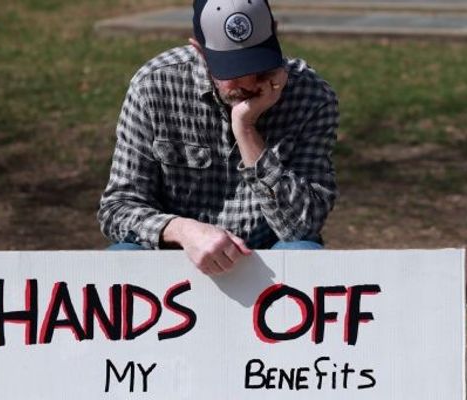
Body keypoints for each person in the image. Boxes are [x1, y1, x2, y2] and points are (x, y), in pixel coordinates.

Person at [97, 0, 339, 275]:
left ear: (274, 31)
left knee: (303, 255)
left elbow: (302, 227)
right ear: (199, 50)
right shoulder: (154, 86)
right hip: (175, 257)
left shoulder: (312, 96)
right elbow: (117, 209)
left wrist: (246, 129)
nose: (248, 84)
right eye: (231, 71)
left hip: (267, 258)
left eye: (258, 66)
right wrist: (182, 230)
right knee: (121, 258)